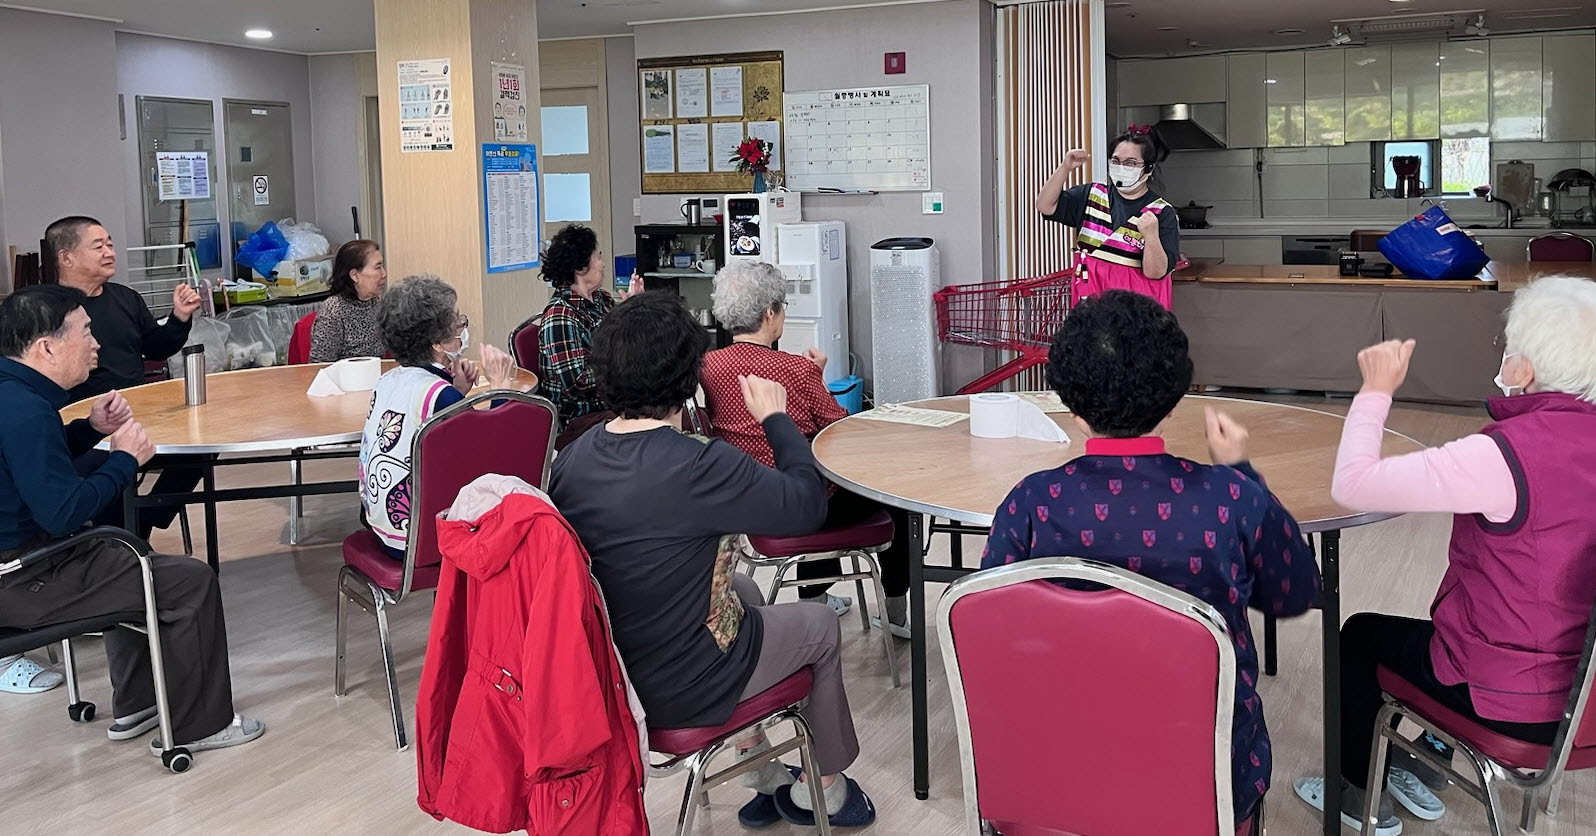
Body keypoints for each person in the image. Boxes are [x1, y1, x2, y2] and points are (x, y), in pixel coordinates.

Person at [981, 290, 1320, 833]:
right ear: (1171, 399)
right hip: (1206, 773)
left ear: (1071, 405)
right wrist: (1244, 472)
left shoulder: (1032, 501)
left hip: (1053, 767)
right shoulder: (1230, 498)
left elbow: (991, 626)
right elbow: (1296, 593)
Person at [551, 292, 877, 829]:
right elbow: (804, 505)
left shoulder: (576, 457)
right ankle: (827, 786)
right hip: (680, 682)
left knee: (746, 592)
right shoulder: (697, 462)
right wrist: (775, 418)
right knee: (819, 623)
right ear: (689, 372)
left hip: (608, 670)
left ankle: (759, 768)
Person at [1293, 276, 1596, 835]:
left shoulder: (1506, 455)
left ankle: (1359, 796)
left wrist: (1375, 390)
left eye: (1507, 350)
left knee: (1359, 636)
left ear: (1524, 369)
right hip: (1584, 704)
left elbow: (1355, 485)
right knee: (1453, 629)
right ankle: (1422, 766)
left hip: (1511, 701)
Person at [0, 285, 263, 752]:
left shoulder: (13, 394)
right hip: (23, 579)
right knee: (188, 581)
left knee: (124, 550)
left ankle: (138, 703)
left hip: (19, 565)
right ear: (45, 347)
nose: (95, 343)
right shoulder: (26, 411)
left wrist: (89, 430)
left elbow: (32, 466)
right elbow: (62, 513)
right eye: (84, 332)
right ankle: (199, 727)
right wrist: (126, 460)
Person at [701, 260, 911, 631]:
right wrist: (818, 377)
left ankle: (816, 598)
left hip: (746, 502)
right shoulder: (795, 369)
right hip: (804, 504)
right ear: (770, 313)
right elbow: (840, 430)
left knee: (808, 475)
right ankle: (895, 609)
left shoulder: (707, 366)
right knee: (894, 493)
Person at [48, 215, 205, 540]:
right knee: (105, 464)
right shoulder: (45, 308)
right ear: (66, 257)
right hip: (80, 426)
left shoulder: (125, 297)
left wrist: (179, 317)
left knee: (203, 443)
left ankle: (148, 516)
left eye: (110, 244)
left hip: (136, 414)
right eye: (98, 246)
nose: (109, 252)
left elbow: (155, 348)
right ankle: (123, 543)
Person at [360, 275, 530, 559]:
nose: (462, 329)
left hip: (380, 525)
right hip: (417, 538)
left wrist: (456, 391)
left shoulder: (388, 380)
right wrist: (501, 387)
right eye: (457, 324)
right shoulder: (438, 395)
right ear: (438, 343)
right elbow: (495, 452)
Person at [1034, 126, 1181, 308]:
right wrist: (1065, 167)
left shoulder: (1160, 212)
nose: (1121, 167)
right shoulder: (1091, 195)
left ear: (1148, 168)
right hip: (1091, 309)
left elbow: (1156, 273)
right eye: (1116, 160)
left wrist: (1151, 236)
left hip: (1136, 314)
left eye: (1130, 163)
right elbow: (1045, 206)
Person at [536, 224, 642, 450]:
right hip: (579, 418)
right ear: (582, 267)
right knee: (651, 428)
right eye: (598, 257)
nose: (603, 264)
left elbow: (621, 340)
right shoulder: (560, 315)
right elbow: (578, 384)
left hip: (612, 404)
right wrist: (621, 366)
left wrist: (632, 310)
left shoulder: (601, 300)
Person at [309, 239, 388, 362]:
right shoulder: (333, 312)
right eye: (377, 268)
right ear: (354, 275)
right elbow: (320, 365)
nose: (384, 274)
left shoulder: (379, 304)